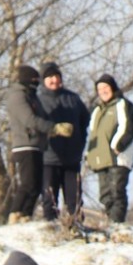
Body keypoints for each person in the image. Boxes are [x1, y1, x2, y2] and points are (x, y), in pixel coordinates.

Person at [35, 61, 89, 222]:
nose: (54, 80)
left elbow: (85, 121)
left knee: (74, 198)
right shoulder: (38, 100)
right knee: (49, 197)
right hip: (48, 158)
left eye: (56, 76)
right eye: (50, 77)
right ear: (43, 80)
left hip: (71, 158)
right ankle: (50, 225)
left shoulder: (73, 98)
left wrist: (79, 143)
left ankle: (76, 225)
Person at [85, 73, 133, 223]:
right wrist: (89, 154)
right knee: (105, 195)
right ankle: (109, 221)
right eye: (99, 88)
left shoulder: (123, 105)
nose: (102, 91)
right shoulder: (96, 110)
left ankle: (117, 222)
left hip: (118, 157)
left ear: (112, 87)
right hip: (100, 159)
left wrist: (118, 146)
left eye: (105, 87)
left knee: (117, 191)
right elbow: (92, 134)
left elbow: (130, 128)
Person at [4, 63, 48, 223]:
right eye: (34, 80)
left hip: (37, 145)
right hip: (25, 145)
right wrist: (52, 128)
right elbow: (30, 120)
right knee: (28, 183)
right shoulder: (18, 96)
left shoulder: (32, 95)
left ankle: (26, 215)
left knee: (36, 184)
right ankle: (15, 213)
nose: (37, 83)